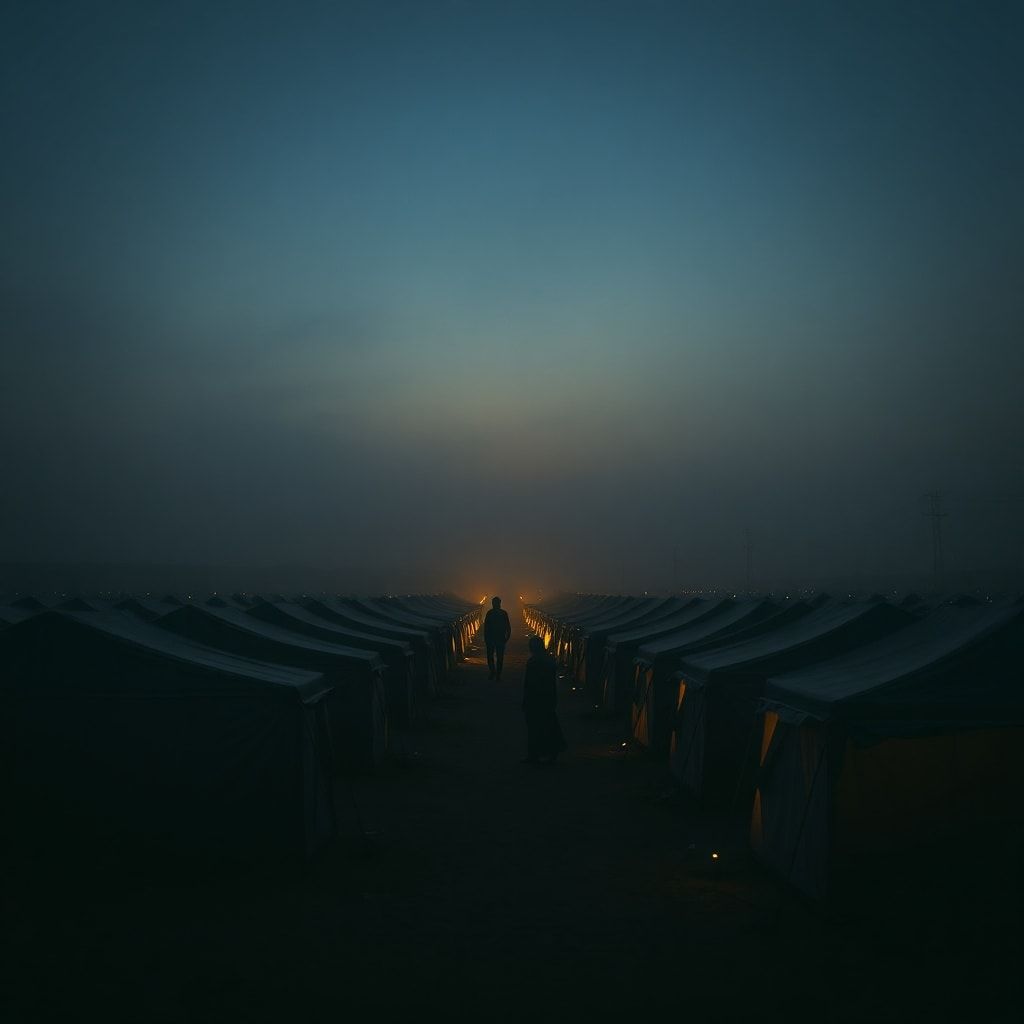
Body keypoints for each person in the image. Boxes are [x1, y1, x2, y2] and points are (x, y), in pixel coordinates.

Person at [521, 634, 567, 764]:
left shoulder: (533, 662)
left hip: (535, 699)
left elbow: (529, 684)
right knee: (549, 725)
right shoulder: (549, 661)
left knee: (535, 728)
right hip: (548, 698)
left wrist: (526, 700)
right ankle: (550, 752)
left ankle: (534, 755)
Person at [483, 596, 512, 680]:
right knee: (499, 657)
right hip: (499, 638)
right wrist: (507, 637)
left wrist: (486, 638)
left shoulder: (490, 613)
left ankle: (493, 672)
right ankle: (497, 674)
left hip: (492, 638)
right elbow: (508, 626)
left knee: (491, 656)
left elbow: (486, 627)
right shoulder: (503, 613)